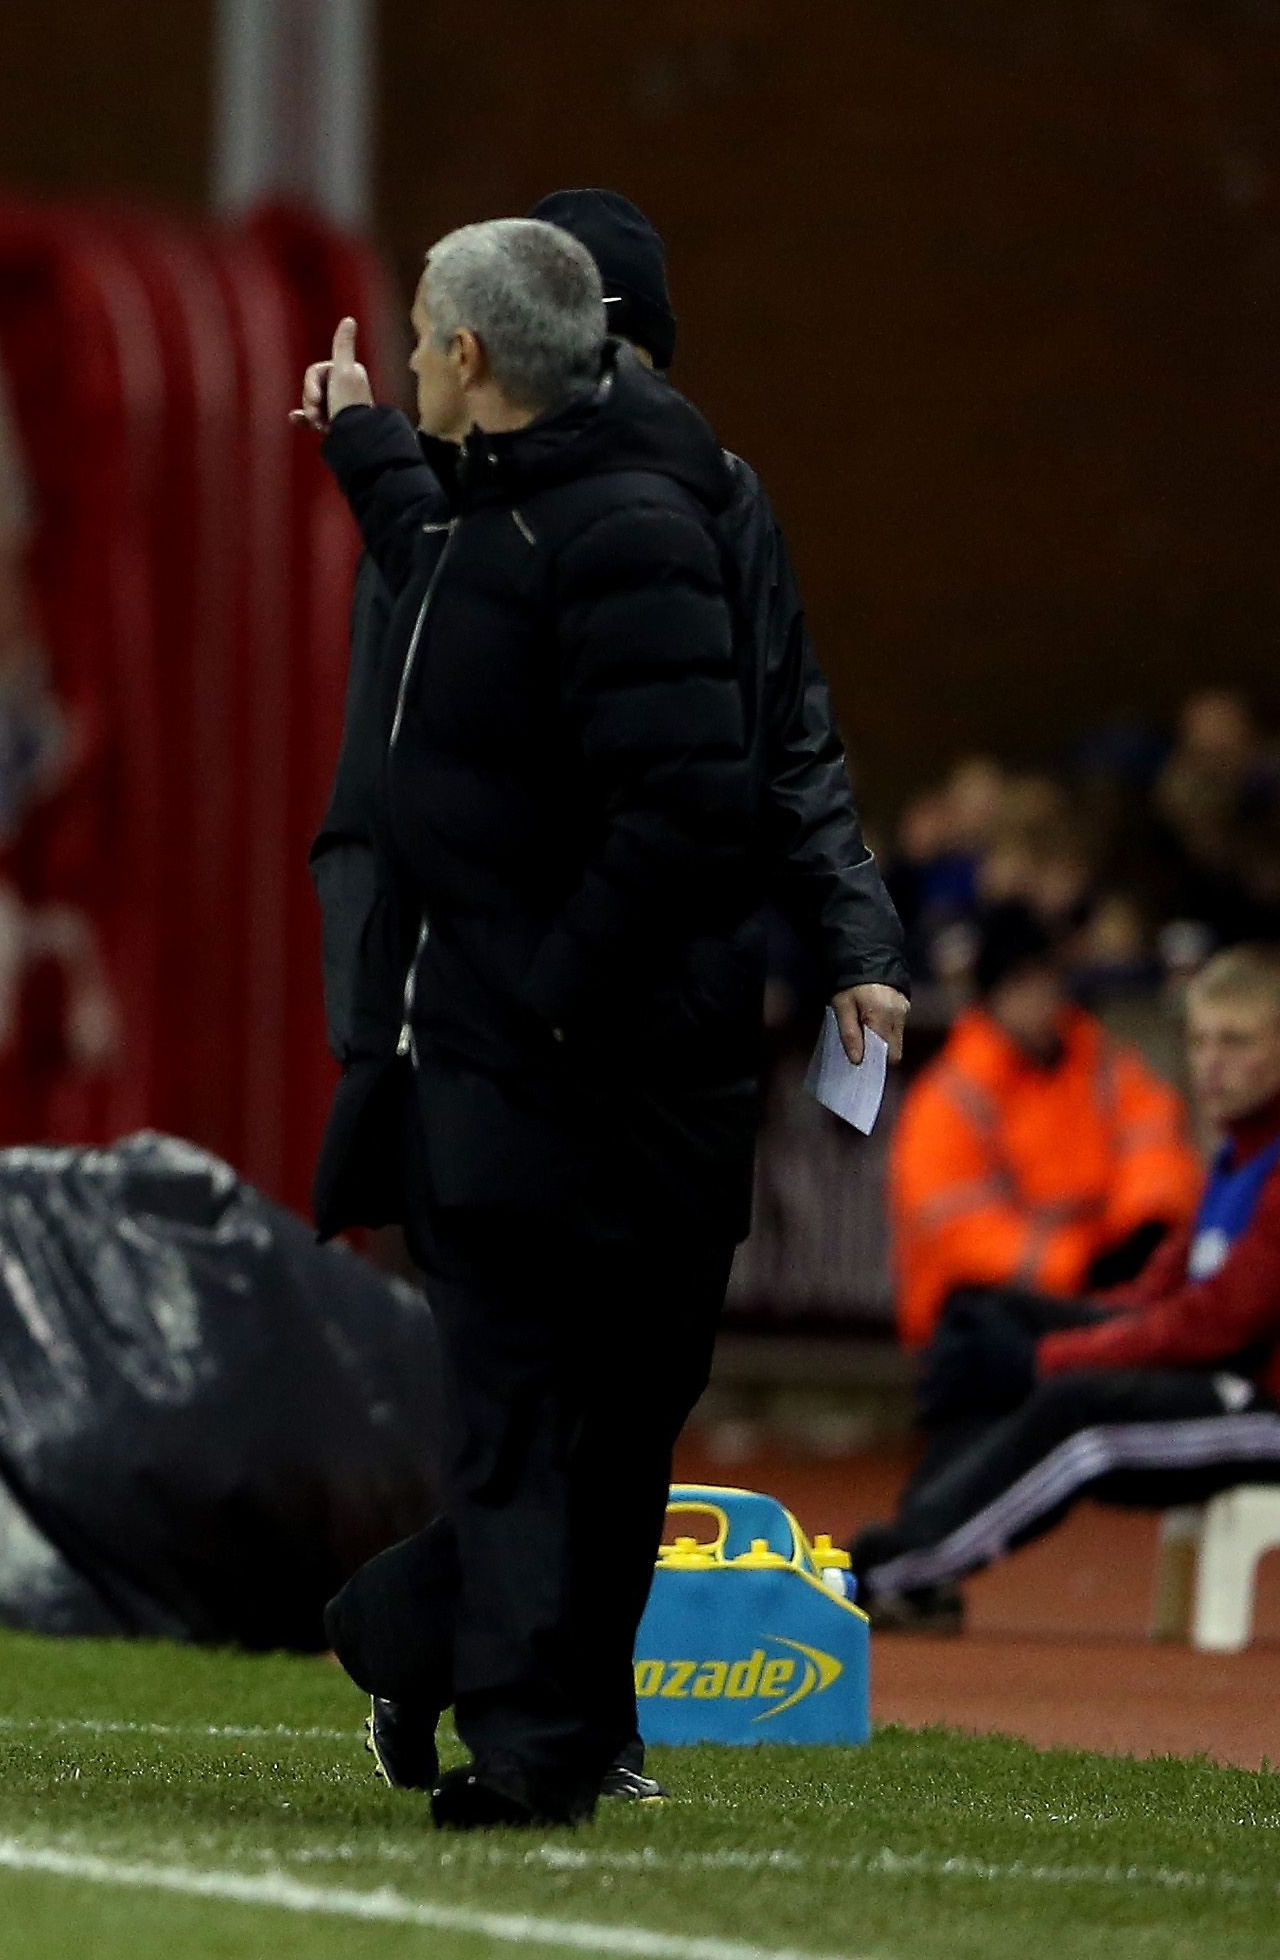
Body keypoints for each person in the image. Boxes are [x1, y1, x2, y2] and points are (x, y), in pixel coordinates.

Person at [291, 218, 759, 1828]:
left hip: (584, 1071)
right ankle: (531, 1742)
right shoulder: (527, 510)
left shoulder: (624, 527)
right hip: (497, 1063)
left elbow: (687, 808)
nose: (416, 355)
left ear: (473, 357)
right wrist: (362, 439)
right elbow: (444, 559)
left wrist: (547, 1000)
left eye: (423, 336)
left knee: (579, 1420)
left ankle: (480, 1693)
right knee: (513, 1418)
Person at [309, 188, 909, 1090]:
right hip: (488, 1025)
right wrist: (371, 1024)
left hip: (661, 1024)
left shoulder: (720, 503)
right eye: (597, 360)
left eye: (637, 365)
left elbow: (790, 741)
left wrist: (857, 939)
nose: (616, 392)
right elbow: (372, 791)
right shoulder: (445, 512)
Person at [854, 944, 1280, 1627]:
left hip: (1264, 1406)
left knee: (1076, 1409)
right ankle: (919, 1552)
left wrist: (1051, 1358)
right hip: (1221, 1374)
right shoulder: (1238, 1153)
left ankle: (896, 1566)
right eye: (1200, 1041)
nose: (1211, 1062)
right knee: (984, 1319)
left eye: (1236, 1042)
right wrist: (1047, 1339)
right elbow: (1157, 1297)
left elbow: (1214, 1325)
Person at [887, 902, 1200, 1350]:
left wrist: (1144, 1231)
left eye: (1048, 981)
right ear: (991, 995)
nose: (1040, 1000)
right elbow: (962, 1234)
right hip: (977, 1318)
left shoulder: (1103, 1066)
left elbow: (1157, 1149)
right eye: (1022, 985)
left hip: (1094, 1295)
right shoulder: (950, 1098)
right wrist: (1080, 1265)